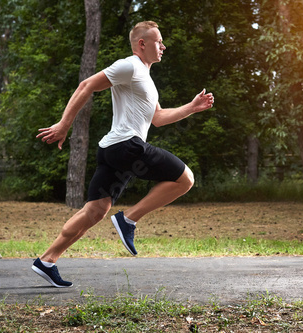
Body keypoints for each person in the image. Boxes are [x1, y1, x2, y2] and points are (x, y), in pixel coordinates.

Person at [32, 21, 214, 287]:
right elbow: (86, 85)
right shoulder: (129, 65)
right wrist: (64, 124)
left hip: (111, 150)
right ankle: (128, 219)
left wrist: (192, 107)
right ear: (142, 44)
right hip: (127, 147)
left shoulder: (145, 78)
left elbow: (158, 118)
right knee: (185, 179)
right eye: (158, 41)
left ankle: (47, 260)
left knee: (95, 210)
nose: (163, 46)